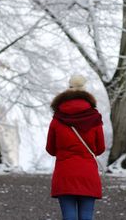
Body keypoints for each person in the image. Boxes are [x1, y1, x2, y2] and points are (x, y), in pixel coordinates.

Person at [46, 74, 105, 220]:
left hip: (64, 174)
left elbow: (50, 149)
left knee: (69, 216)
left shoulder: (57, 119)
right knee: (86, 216)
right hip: (88, 174)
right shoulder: (95, 117)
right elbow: (100, 148)